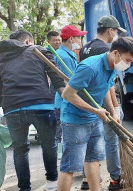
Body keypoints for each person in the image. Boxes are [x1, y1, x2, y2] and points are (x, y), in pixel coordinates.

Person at [56, 37, 133, 191]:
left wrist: (114, 110)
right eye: (128, 60)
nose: (128, 65)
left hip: (93, 118)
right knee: (70, 165)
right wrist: (96, 111)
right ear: (116, 53)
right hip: (74, 120)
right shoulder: (90, 67)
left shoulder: (112, 67)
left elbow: (107, 89)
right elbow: (68, 95)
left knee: (94, 158)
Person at [0, 30, 66, 191]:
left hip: (13, 109)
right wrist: (71, 99)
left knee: (20, 150)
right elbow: (57, 78)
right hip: (42, 105)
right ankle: (52, 182)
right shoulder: (37, 51)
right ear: (28, 41)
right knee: (49, 143)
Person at [79, 15, 127, 191]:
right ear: (110, 31)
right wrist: (115, 108)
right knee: (111, 141)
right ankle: (115, 178)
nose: (116, 36)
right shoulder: (105, 50)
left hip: (88, 102)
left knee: (90, 140)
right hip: (102, 103)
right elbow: (108, 85)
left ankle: (87, 179)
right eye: (116, 32)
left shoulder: (85, 48)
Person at [54, 25, 88, 160]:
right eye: (79, 38)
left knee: (64, 135)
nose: (80, 41)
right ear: (71, 39)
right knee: (65, 135)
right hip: (65, 102)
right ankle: (64, 160)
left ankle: (64, 159)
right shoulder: (65, 57)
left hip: (64, 100)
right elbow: (72, 81)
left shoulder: (68, 54)